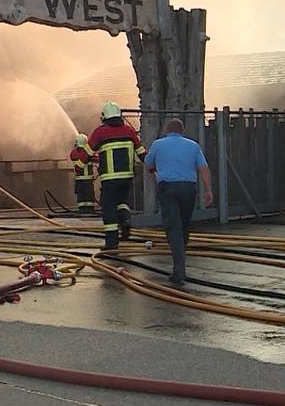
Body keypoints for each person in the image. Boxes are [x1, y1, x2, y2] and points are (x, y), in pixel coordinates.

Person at [144, 118, 213, 286]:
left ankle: (179, 270)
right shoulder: (193, 145)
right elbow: (203, 168)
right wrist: (208, 190)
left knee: (173, 227)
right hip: (189, 189)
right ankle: (181, 255)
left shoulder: (158, 144)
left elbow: (148, 164)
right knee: (183, 225)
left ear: (167, 130)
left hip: (168, 189)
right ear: (182, 131)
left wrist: (156, 172)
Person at [88, 101, 146, 250]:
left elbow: (87, 152)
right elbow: (141, 153)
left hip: (109, 178)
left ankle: (112, 242)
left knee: (108, 208)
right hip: (127, 177)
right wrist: (155, 168)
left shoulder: (100, 132)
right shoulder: (129, 131)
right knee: (122, 201)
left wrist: (79, 166)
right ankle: (126, 220)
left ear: (104, 117)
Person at [69, 133, 97, 213]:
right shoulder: (88, 153)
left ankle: (82, 210)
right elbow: (97, 158)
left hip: (79, 180)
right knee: (89, 197)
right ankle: (89, 210)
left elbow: (74, 156)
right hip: (88, 180)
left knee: (81, 197)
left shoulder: (74, 153)